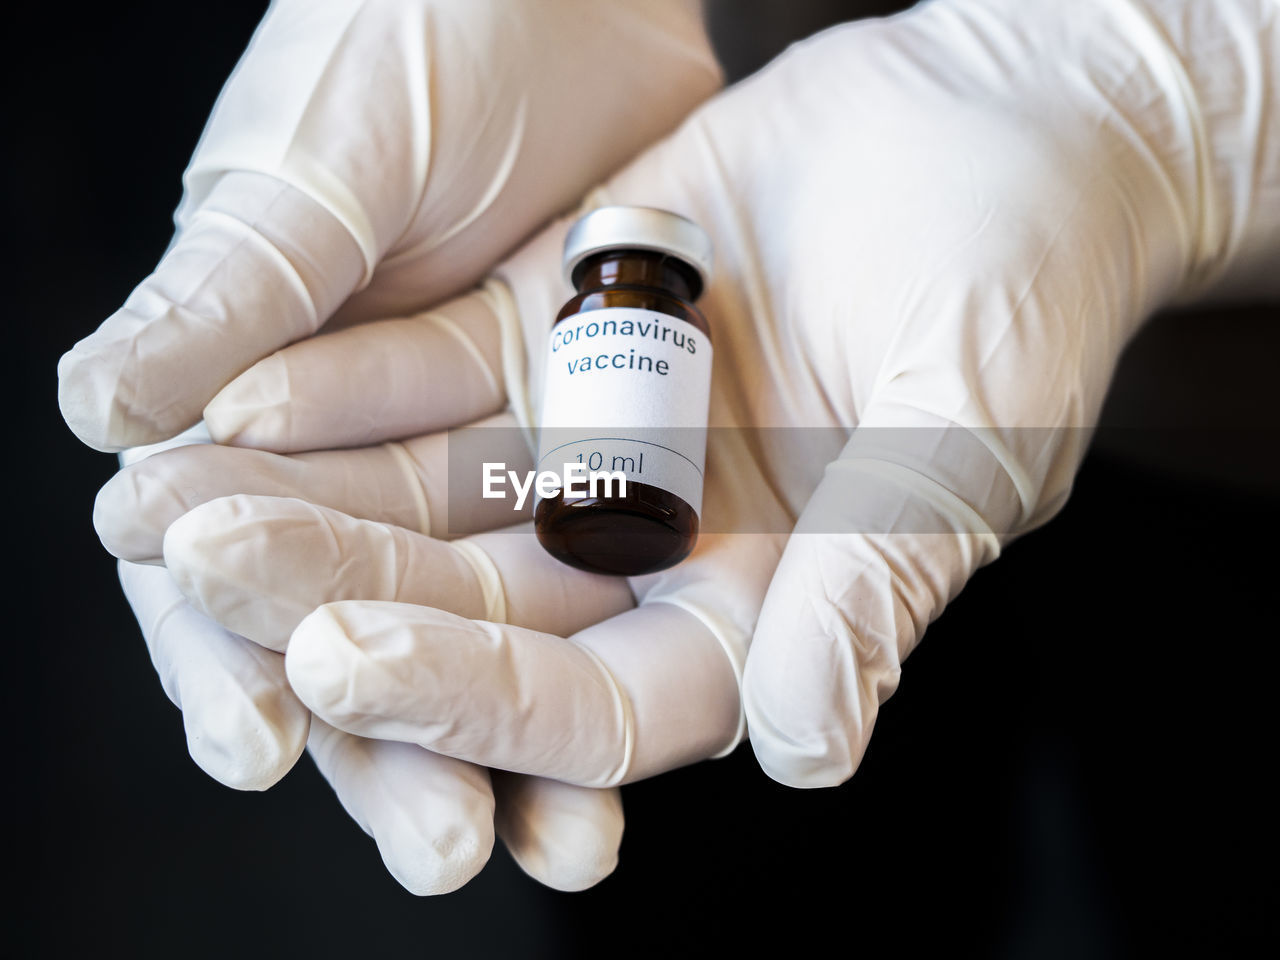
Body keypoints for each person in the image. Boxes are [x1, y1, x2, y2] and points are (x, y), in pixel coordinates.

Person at [58, 0, 1278, 896]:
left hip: (1207, 436)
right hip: (735, 147)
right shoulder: (634, 320)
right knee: (752, 873)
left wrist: (1162, 89)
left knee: (1186, 789)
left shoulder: (666, 326)